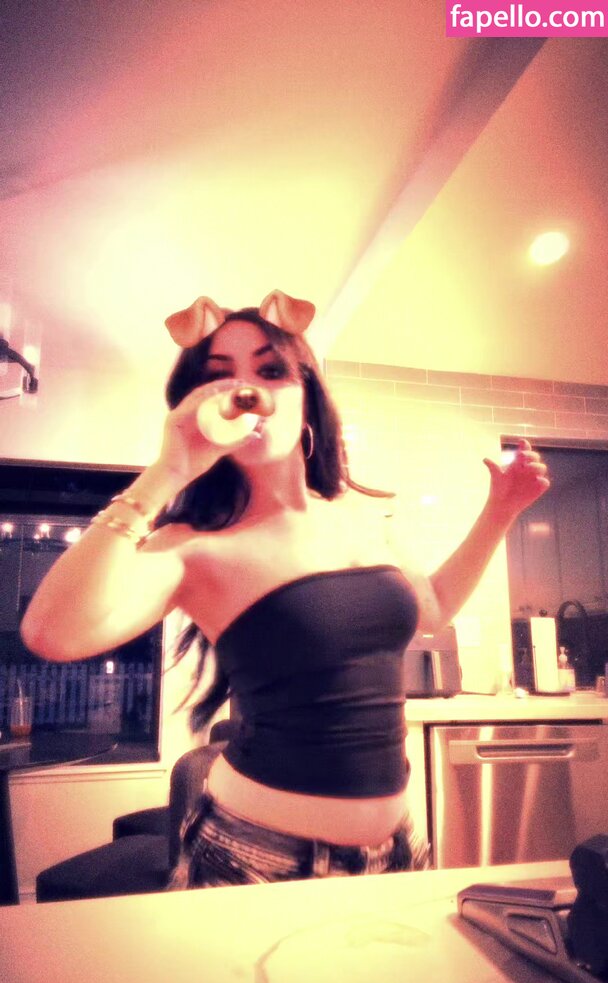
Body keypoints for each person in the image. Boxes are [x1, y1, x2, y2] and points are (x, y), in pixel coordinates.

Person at [21, 289, 550, 887]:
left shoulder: (357, 516)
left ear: (307, 398)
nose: (245, 392)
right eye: (219, 377)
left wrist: (501, 512)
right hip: (254, 859)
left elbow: (434, 609)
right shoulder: (192, 545)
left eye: (271, 371)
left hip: (399, 850)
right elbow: (51, 633)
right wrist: (167, 472)